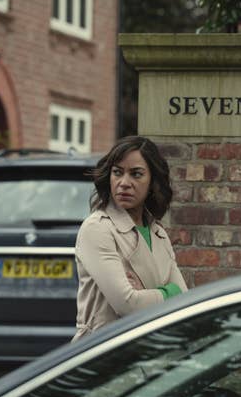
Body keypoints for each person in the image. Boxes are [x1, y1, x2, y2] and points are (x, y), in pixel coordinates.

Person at [72, 136, 188, 341]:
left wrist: (146, 293)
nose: (124, 183)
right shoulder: (97, 228)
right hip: (104, 352)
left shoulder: (158, 233)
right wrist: (168, 292)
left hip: (150, 351)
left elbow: (186, 302)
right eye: (117, 172)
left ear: (152, 181)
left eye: (136, 174)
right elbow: (128, 305)